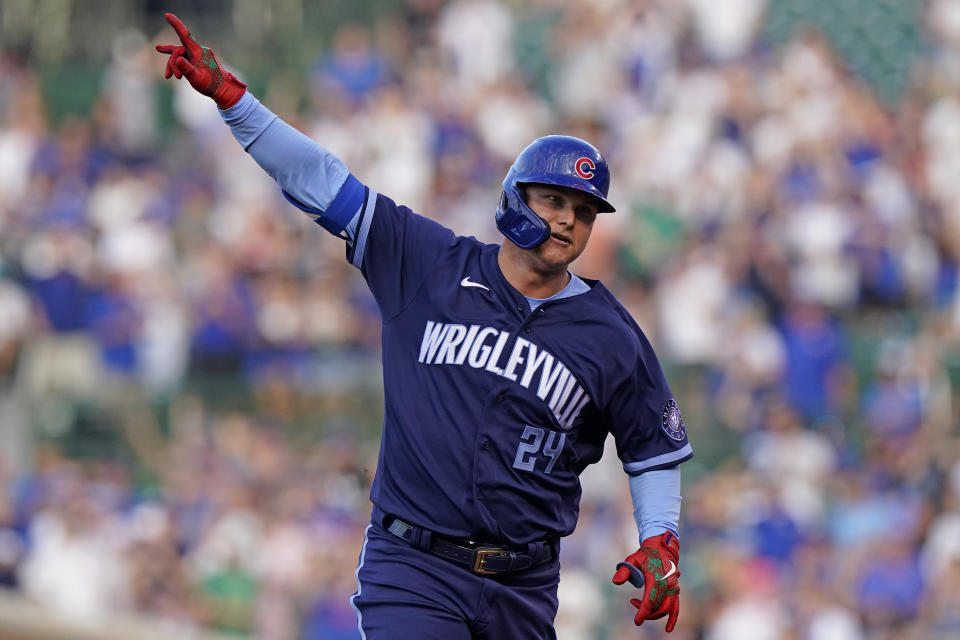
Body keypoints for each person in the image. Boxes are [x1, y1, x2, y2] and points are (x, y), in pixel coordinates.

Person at [158, 12, 693, 638]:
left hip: (523, 587)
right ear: (515, 196)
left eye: (584, 211)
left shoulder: (611, 334)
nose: (569, 220)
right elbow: (322, 182)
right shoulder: (427, 262)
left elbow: (652, 449)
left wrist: (662, 541)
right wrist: (234, 101)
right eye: (553, 200)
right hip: (414, 568)